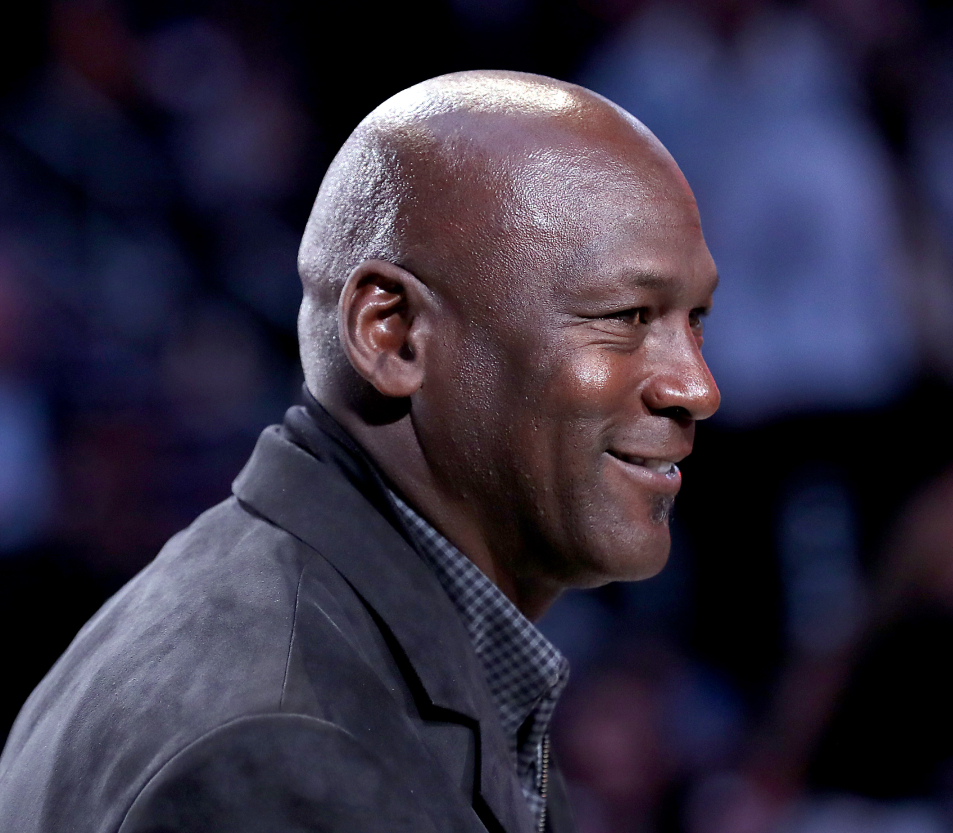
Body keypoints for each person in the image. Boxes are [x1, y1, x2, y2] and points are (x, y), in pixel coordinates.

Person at [0, 70, 720, 833]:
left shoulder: (295, 634)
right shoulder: (285, 746)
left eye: (695, 319)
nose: (696, 386)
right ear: (394, 333)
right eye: (626, 314)